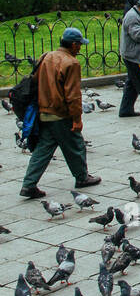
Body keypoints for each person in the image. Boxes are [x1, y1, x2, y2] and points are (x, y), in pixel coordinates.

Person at [19, 28, 102, 197]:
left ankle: (29, 184)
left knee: (43, 149)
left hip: (43, 110)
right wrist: (77, 119)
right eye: (79, 45)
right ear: (73, 45)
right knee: (76, 145)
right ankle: (82, 177)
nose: (80, 48)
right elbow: (73, 95)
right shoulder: (71, 63)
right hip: (60, 113)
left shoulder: (46, 56)